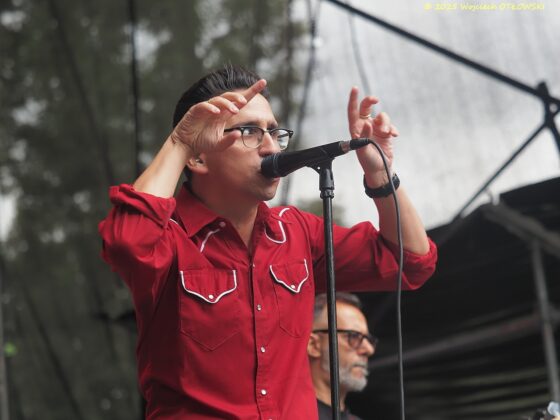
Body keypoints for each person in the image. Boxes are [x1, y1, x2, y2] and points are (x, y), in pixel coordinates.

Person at [98, 64, 437, 419]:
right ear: (198, 156)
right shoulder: (170, 237)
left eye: (274, 132)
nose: (271, 147)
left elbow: (411, 262)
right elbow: (127, 243)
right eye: (249, 131)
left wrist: (381, 174)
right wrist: (180, 143)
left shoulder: (297, 232)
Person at [308, 293, 376, 420]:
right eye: (353, 336)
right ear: (313, 345)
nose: (369, 349)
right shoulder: (283, 415)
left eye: (368, 339)